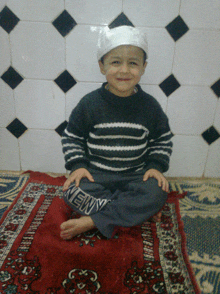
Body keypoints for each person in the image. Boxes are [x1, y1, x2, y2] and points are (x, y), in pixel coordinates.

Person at [60, 25, 173, 240]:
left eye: (133, 63)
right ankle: (132, 211)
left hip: (136, 176)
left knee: (157, 192)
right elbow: (72, 138)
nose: (124, 70)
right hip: (97, 175)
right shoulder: (89, 104)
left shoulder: (150, 106)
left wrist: (155, 167)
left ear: (143, 67)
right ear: (102, 66)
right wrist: (79, 166)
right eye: (115, 62)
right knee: (70, 192)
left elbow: (162, 139)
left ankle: (94, 220)